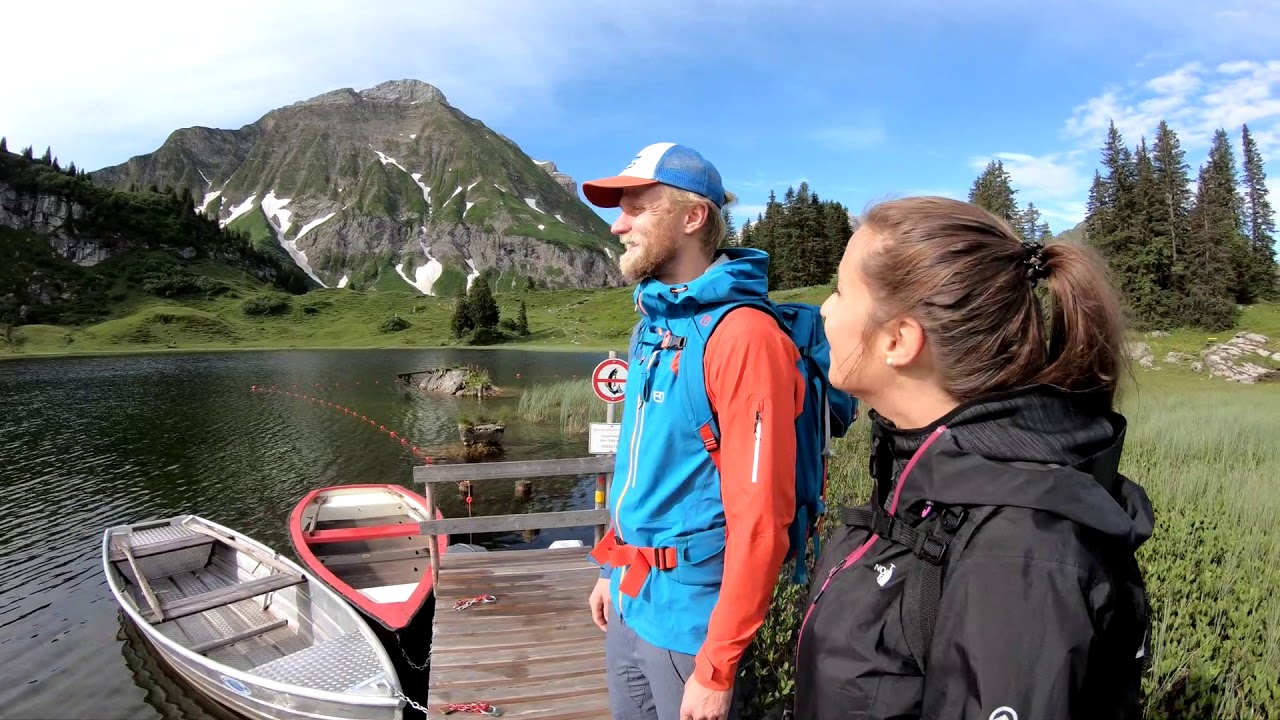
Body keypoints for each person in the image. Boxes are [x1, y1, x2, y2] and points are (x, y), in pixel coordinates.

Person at [793, 196, 1154, 720]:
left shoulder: (1018, 557)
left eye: (841, 291)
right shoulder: (920, 476)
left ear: (899, 340)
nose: (824, 309)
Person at [580, 143, 806, 720]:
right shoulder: (650, 329)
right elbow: (638, 466)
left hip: (691, 627)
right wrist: (613, 566)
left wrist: (719, 664)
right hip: (631, 598)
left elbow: (761, 521)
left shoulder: (745, 338)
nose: (618, 223)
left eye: (637, 207)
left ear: (692, 217)